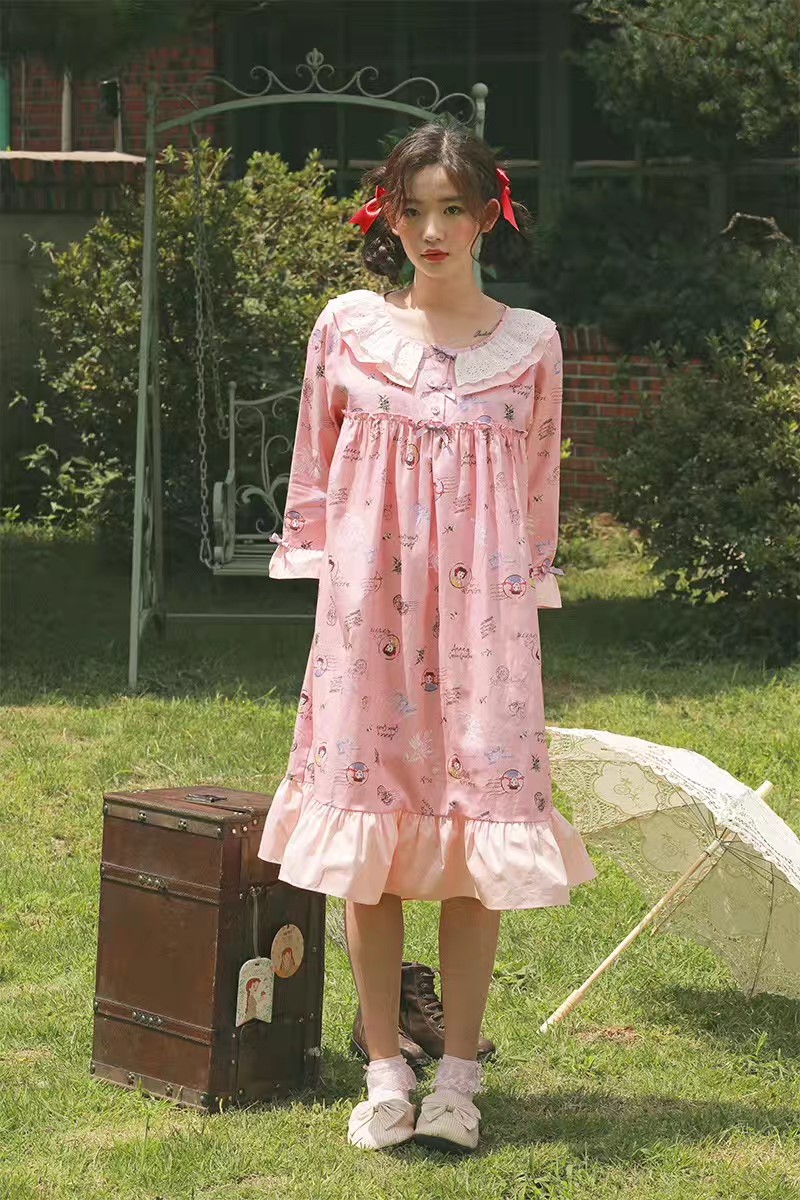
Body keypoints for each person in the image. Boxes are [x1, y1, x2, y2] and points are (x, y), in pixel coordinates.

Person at [257, 117, 597, 1154]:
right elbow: (314, 465)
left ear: (489, 213)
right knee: (367, 840)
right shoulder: (347, 329)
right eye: (414, 210)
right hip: (369, 616)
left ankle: (457, 1075)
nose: (434, 230)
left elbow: (535, 486)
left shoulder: (530, 345)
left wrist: (526, 589)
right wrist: (316, 565)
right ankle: (382, 1071)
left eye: (453, 208)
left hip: (485, 625)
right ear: (389, 217)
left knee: (472, 843)